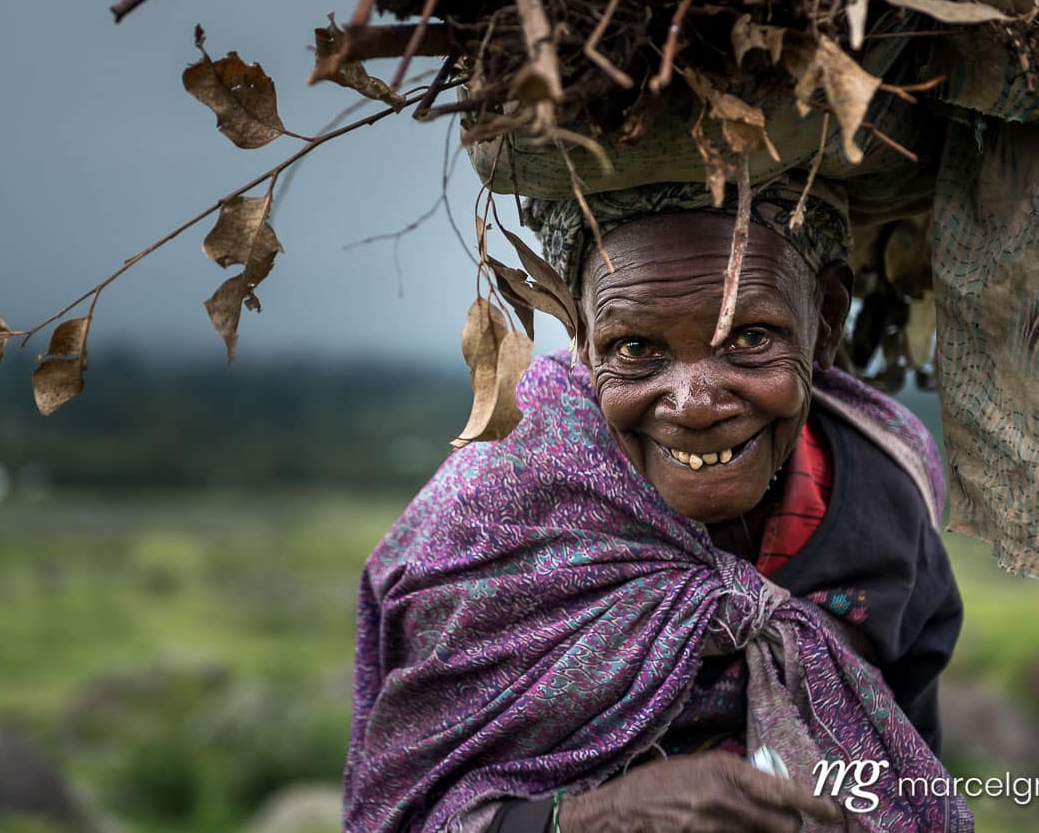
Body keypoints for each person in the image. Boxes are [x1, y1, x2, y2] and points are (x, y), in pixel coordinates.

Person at [342, 179, 974, 832]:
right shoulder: (491, 513)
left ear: (826, 319)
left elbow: (908, 762)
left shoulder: (882, 480)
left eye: (751, 337)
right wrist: (585, 820)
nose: (695, 403)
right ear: (583, 340)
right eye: (637, 349)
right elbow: (399, 808)